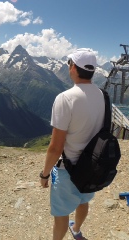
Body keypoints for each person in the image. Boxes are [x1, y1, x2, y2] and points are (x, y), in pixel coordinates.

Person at [40, 48, 105, 240]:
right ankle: (76, 230)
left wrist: (44, 174)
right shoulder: (104, 96)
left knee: (60, 214)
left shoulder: (65, 98)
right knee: (83, 200)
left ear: (74, 68)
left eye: (69, 64)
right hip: (93, 166)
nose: (68, 67)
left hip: (68, 169)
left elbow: (55, 147)